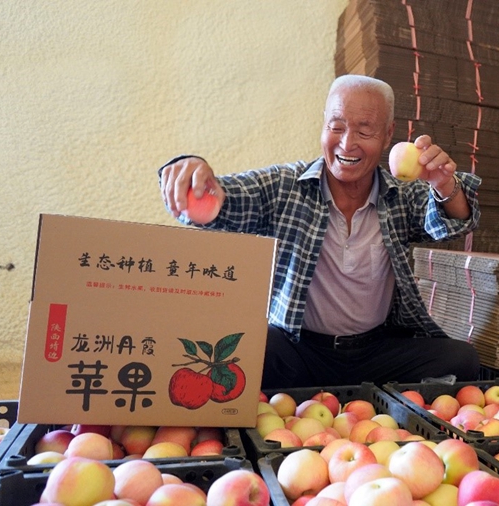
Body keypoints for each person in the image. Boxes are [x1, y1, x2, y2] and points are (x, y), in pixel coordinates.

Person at [159, 75, 482, 389]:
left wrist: (443, 184)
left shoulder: (400, 194)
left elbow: (453, 223)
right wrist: (191, 170)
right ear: (323, 125)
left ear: (388, 135)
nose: (347, 143)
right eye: (336, 127)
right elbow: (225, 204)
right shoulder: (284, 186)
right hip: (297, 350)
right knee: (245, 351)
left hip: (376, 351)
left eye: (364, 130)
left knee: (460, 360)